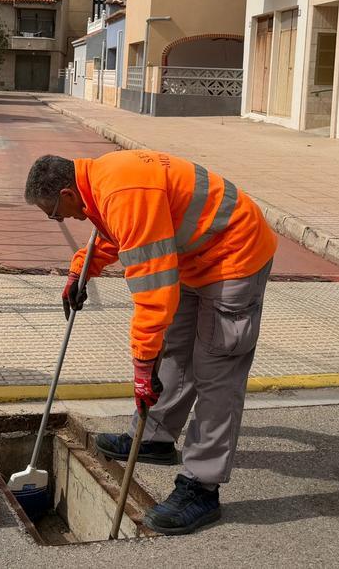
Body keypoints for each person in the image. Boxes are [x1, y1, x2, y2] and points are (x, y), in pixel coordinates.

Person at [24, 151, 276, 535]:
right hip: (193, 257)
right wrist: (81, 271)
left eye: (55, 214)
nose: (61, 220)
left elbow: (153, 293)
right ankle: (155, 437)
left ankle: (202, 486)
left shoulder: (123, 192)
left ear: (67, 193)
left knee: (216, 373)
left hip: (234, 256)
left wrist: (142, 365)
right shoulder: (97, 181)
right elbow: (118, 233)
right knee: (177, 351)